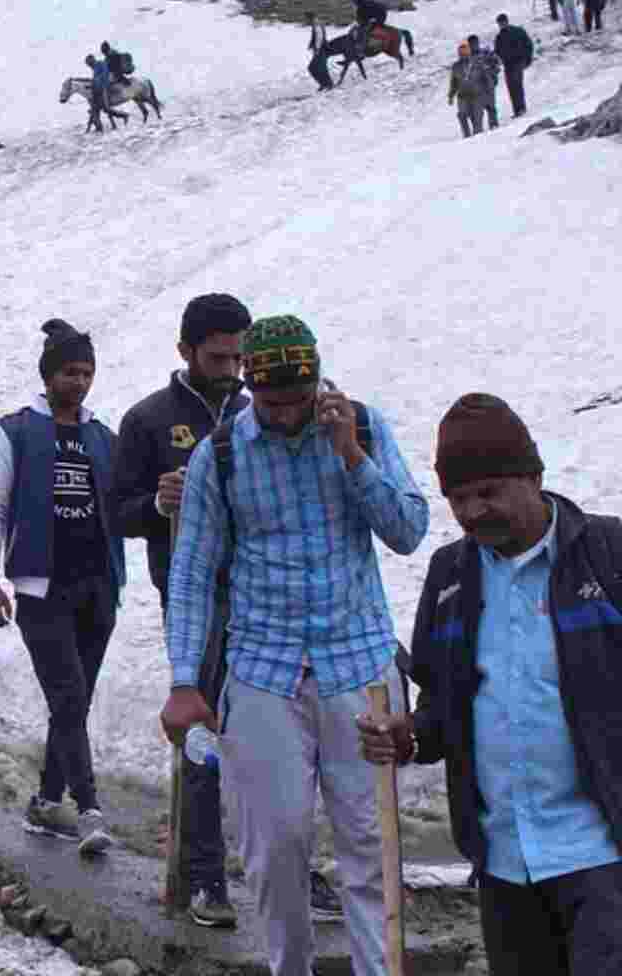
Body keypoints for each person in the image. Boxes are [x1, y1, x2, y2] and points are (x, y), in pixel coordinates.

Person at [161, 314, 430, 976]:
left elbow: (409, 529)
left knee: (370, 849)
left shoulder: (361, 428)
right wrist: (184, 682)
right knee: (276, 847)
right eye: (269, 401)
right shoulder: (220, 456)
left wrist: (351, 454)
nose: (284, 415)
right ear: (249, 385)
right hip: (262, 673)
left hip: (360, 667)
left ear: (317, 382)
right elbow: (192, 575)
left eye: (296, 401)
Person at [357, 394, 622, 976]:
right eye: (458, 499)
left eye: (488, 492)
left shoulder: (608, 555)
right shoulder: (451, 574)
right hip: (504, 860)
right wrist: (410, 738)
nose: (473, 512)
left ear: (535, 477)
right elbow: (442, 703)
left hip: (602, 854)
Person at [112, 293, 253, 927]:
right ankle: (203, 878)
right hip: (192, 594)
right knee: (202, 730)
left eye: (239, 357)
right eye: (219, 357)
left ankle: (291, 866)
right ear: (186, 351)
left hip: (264, 596)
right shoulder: (147, 419)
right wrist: (157, 506)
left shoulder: (260, 413)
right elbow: (117, 511)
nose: (232, 370)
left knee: (274, 730)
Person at [0, 319, 124, 854]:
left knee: (72, 704)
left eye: (86, 373)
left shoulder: (104, 437)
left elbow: (126, 503)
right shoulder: (14, 432)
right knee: (68, 694)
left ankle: (43, 801)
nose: (78, 382)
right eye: (69, 372)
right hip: (41, 589)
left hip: (98, 585)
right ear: (47, 374)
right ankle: (89, 810)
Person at [494, 14, 535, 118]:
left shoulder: (517, 31)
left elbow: (528, 44)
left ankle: (521, 108)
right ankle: (517, 110)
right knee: (511, 86)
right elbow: (497, 52)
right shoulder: (499, 37)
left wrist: (528, 58)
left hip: (518, 61)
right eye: (499, 23)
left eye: (502, 22)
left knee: (517, 84)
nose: (501, 25)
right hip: (508, 64)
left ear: (506, 21)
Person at [450, 41, 490, 139]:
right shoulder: (456, 66)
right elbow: (454, 82)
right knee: (462, 115)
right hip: (463, 96)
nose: (463, 55)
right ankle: (467, 136)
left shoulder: (477, 64)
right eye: (461, 54)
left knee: (477, 119)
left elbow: (486, 78)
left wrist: (488, 92)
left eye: (464, 53)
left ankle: (477, 138)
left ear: (468, 53)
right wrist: (451, 95)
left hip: (477, 95)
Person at [467, 34, 503, 129]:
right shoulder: (468, 58)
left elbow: (497, 62)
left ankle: (494, 127)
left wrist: (493, 73)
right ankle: (478, 132)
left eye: (475, 43)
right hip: (476, 88)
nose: (474, 45)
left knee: (491, 107)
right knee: (477, 111)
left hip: (488, 84)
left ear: (478, 43)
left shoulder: (486, 52)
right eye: (471, 44)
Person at [305, 10, 335, 92]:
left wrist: (317, 49)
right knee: (320, 67)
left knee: (313, 68)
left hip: (321, 49)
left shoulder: (316, 24)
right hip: (321, 49)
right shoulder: (317, 23)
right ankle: (325, 84)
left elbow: (319, 37)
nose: (306, 20)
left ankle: (327, 84)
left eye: (307, 18)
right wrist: (311, 44)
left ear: (310, 17)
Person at [87, 54, 113, 120]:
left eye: (89, 64)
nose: (89, 66)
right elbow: (95, 77)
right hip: (100, 85)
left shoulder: (100, 64)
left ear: (92, 60)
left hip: (105, 84)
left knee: (106, 107)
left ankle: (122, 115)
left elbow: (105, 74)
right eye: (88, 65)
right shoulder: (95, 67)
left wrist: (97, 80)